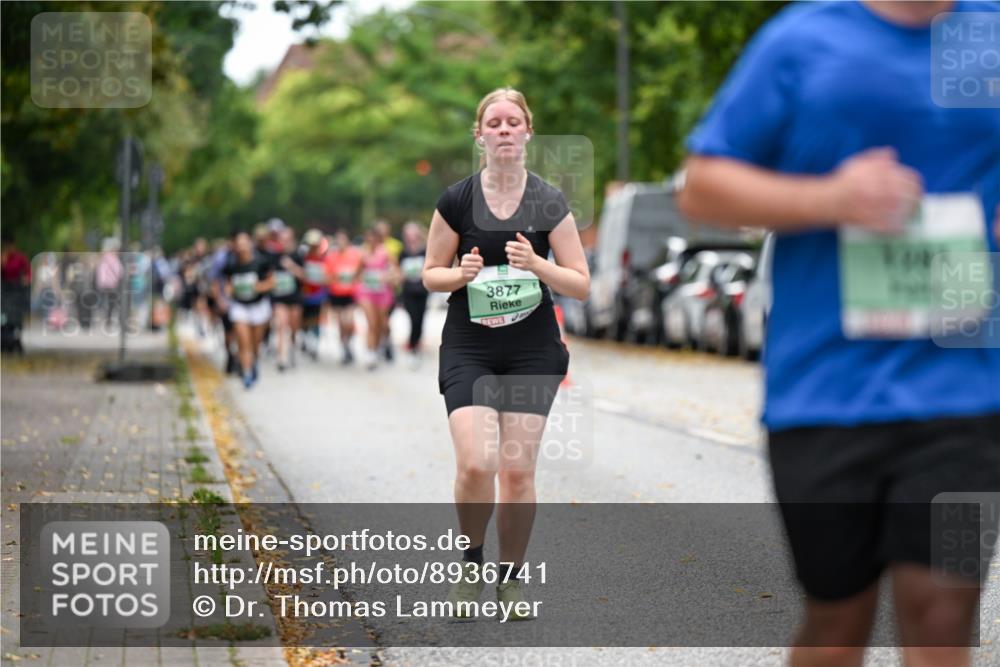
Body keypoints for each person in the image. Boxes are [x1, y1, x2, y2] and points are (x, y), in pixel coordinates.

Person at [677, 2, 1000, 665]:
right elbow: (703, 186)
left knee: (945, 608)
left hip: (969, 395)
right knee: (838, 615)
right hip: (824, 394)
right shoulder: (804, 39)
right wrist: (832, 199)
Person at [422, 87, 589, 618]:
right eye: (493, 122)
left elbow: (581, 284)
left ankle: (510, 579)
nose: (503, 130)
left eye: (512, 121)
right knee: (476, 462)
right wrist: (461, 273)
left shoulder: (548, 201)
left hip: (531, 348)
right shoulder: (456, 200)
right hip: (469, 345)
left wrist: (537, 265)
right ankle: (470, 565)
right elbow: (430, 274)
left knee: (516, 472)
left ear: (527, 132)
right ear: (479, 135)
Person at [222, 230, 274, 388]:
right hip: (240, 307)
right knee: (243, 342)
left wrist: (259, 287)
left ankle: (254, 362)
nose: (242, 246)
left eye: (245, 242)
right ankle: (246, 373)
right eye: (239, 243)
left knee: (255, 343)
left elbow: (272, 282)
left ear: (250, 244)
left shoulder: (261, 262)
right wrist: (228, 291)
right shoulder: (231, 264)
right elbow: (228, 284)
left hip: (258, 306)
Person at [355, 226, 399, 370]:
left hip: (383, 292)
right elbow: (357, 274)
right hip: (366, 292)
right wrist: (363, 278)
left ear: (378, 239)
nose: (371, 241)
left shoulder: (386, 252)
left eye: (374, 238)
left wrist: (387, 276)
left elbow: (396, 271)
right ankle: (370, 353)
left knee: (381, 324)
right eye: (368, 238)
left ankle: (380, 345)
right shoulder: (363, 253)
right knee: (371, 324)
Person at [324, 229, 362, 365]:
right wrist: (336, 277)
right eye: (338, 240)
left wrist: (355, 278)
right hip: (336, 294)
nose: (340, 243)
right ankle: (344, 347)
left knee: (349, 321)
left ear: (347, 241)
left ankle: (348, 342)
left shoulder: (355, 254)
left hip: (351, 294)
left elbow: (361, 271)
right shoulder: (331, 256)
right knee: (341, 323)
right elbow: (326, 277)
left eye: (343, 240)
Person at [271, 226, 303, 372]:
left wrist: (291, 267)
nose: (284, 242)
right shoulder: (274, 256)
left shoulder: (298, 255)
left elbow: (305, 276)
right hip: (279, 297)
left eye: (287, 239)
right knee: (281, 325)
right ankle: (281, 356)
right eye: (282, 239)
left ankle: (293, 348)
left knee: (294, 326)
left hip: (295, 297)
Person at [399, 221, 429, 366]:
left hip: (422, 290)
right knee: (413, 318)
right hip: (408, 291)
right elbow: (398, 271)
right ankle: (412, 346)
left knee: (421, 319)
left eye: (413, 233)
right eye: (408, 234)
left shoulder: (425, 250)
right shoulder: (403, 252)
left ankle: (416, 345)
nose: (411, 236)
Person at [297, 229, 330, 361]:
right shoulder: (302, 258)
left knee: (316, 318)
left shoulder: (324, 259)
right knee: (304, 318)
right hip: (305, 293)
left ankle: (314, 343)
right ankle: (305, 338)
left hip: (318, 294)